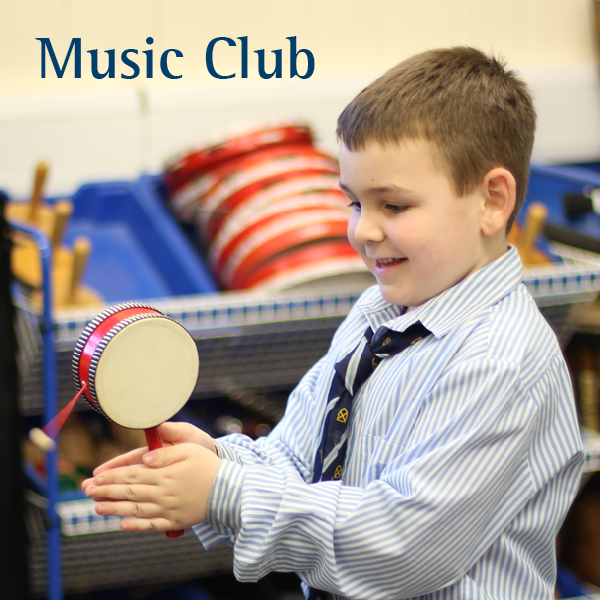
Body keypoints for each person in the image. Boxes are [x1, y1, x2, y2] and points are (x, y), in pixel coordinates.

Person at [82, 47, 584, 599]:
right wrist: (218, 460)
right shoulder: (374, 314)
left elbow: (406, 545)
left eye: (392, 206)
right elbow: (297, 457)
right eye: (353, 203)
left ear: (492, 200)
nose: (363, 232)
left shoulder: (502, 358)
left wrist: (227, 493)